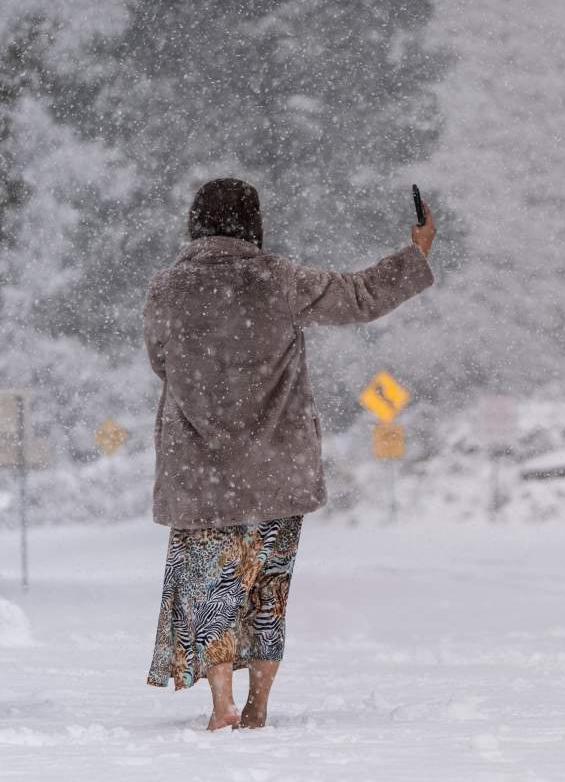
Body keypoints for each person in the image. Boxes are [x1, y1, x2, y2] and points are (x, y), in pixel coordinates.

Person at [143, 178, 436, 730]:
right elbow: (361, 295)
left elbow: (161, 361)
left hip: (201, 475)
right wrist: (416, 251)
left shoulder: (167, 289)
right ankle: (258, 705)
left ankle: (221, 701)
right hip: (274, 470)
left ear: (195, 222)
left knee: (211, 584)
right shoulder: (278, 280)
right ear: (252, 222)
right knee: (267, 586)